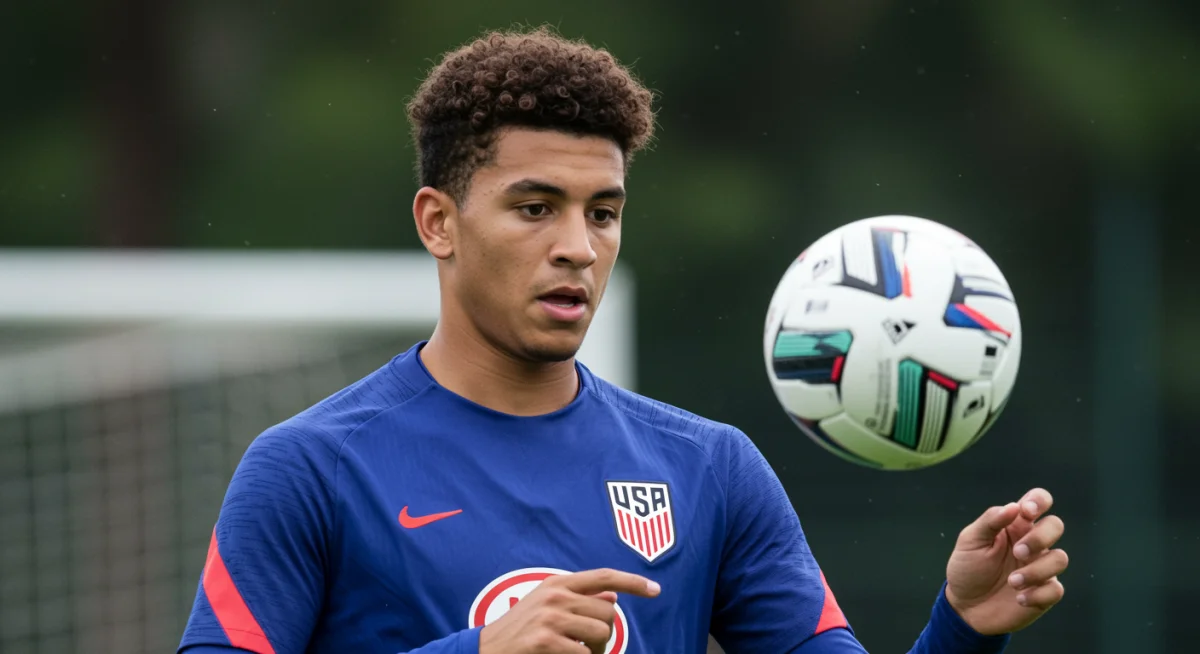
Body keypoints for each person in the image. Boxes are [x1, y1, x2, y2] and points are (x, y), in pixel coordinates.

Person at [177, 27, 1068, 654]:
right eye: (535, 208)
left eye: (603, 213)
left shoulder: (710, 468)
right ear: (438, 223)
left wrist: (961, 626)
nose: (578, 245)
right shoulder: (310, 467)